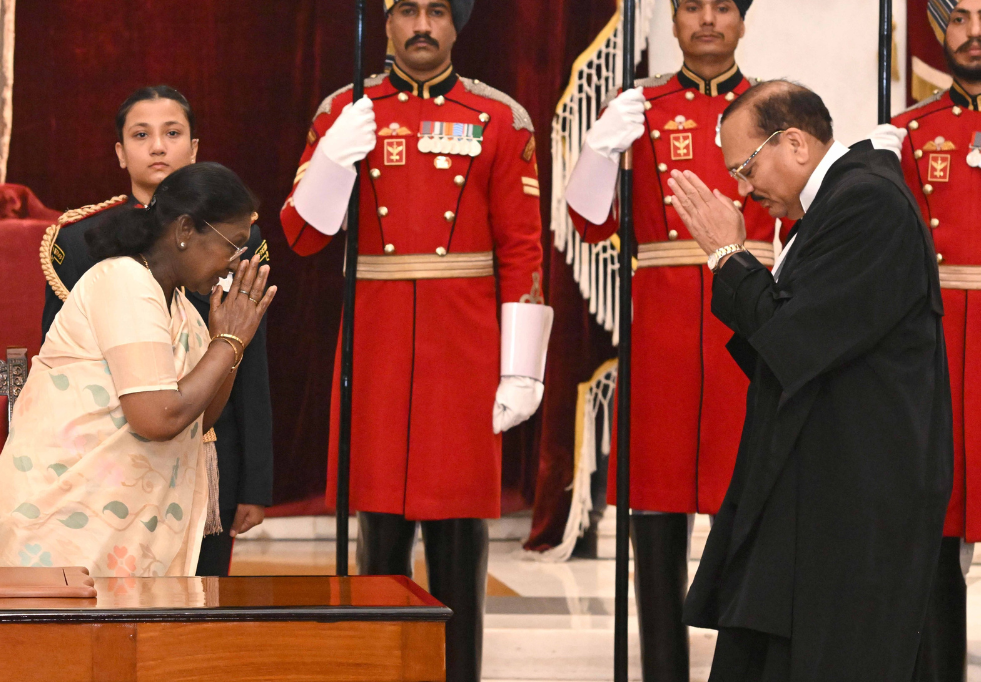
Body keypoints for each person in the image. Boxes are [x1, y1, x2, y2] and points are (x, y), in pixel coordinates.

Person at [280, 1, 552, 680]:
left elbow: (522, 249)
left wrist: (522, 368)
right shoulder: (343, 108)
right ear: (387, 23)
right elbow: (303, 237)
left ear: (458, 25)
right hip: (377, 339)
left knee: (460, 541)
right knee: (379, 543)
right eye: (407, 10)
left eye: (437, 10)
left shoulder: (500, 117)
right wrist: (333, 163)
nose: (422, 24)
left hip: (463, 348)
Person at [668, 79, 952, 680]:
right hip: (821, 485)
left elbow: (794, 341)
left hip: (854, 498)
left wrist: (728, 256)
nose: (744, 189)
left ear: (794, 143)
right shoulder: (835, 203)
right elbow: (787, 347)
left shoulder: (867, 202)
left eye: (746, 166)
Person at [562, 1, 774, 678]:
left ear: (743, 21)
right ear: (672, 22)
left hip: (753, 333)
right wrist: (598, 154)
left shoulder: (776, 107)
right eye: (691, 6)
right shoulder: (642, 106)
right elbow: (591, 224)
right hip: (663, 339)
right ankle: (662, 669)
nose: (707, 20)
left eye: (722, 7)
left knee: (753, 520)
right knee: (655, 519)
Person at [0, 163, 276, 578]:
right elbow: (156, 417)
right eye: (234, 245)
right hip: (62, 532)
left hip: (114, 532)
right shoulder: (123, 282)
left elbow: (200, 418)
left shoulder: (183, 309)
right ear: (186, 231)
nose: (236, 263)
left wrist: (227, 344)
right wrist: (227, 344)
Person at [38, 85, 273, 577]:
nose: (159, 147)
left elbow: (243, 373)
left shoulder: (222, 249)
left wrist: (255, 481)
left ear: (194, 146)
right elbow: (76, 380)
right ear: (121, 152)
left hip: (199, 452)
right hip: (104, 463)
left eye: (173, 133)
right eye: (142, 135)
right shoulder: (97, 254)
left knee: (192, 608)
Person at [882, 2, 981, 678]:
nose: (974, 32)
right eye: (961, 18)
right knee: (934, 531)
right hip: (939, 355)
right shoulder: (912, 134)